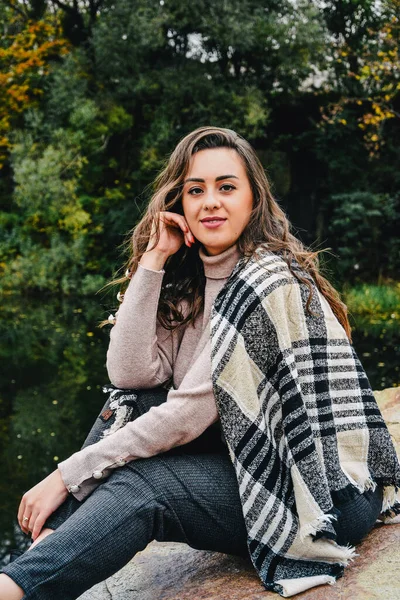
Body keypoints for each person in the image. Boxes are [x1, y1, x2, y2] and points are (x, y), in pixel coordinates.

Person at [0, 126, 399, 599]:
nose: (211, 201)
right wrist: (155, 257)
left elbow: (189, 413)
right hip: (252, 464)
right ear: (179, 204)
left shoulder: (267, 281)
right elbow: (129, 377)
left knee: (146, 486)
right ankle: (48, 556)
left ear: (254, 200)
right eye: (195, 190)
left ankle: (18, 586)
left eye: (226, 187)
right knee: (132, 403)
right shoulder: (188, 282)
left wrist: (65, 475)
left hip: (322, 493)